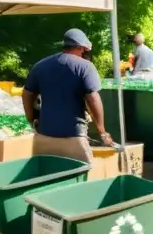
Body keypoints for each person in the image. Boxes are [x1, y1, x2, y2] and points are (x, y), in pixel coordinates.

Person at [22, 28, 112, 162]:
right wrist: (102, 131)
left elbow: (27, 94)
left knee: (46, 178)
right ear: (81, 48)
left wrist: (32, 119)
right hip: (74, 137)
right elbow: (93, 99)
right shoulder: (85, 67)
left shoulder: (40, 66)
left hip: (43, 137)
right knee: (79, 178)